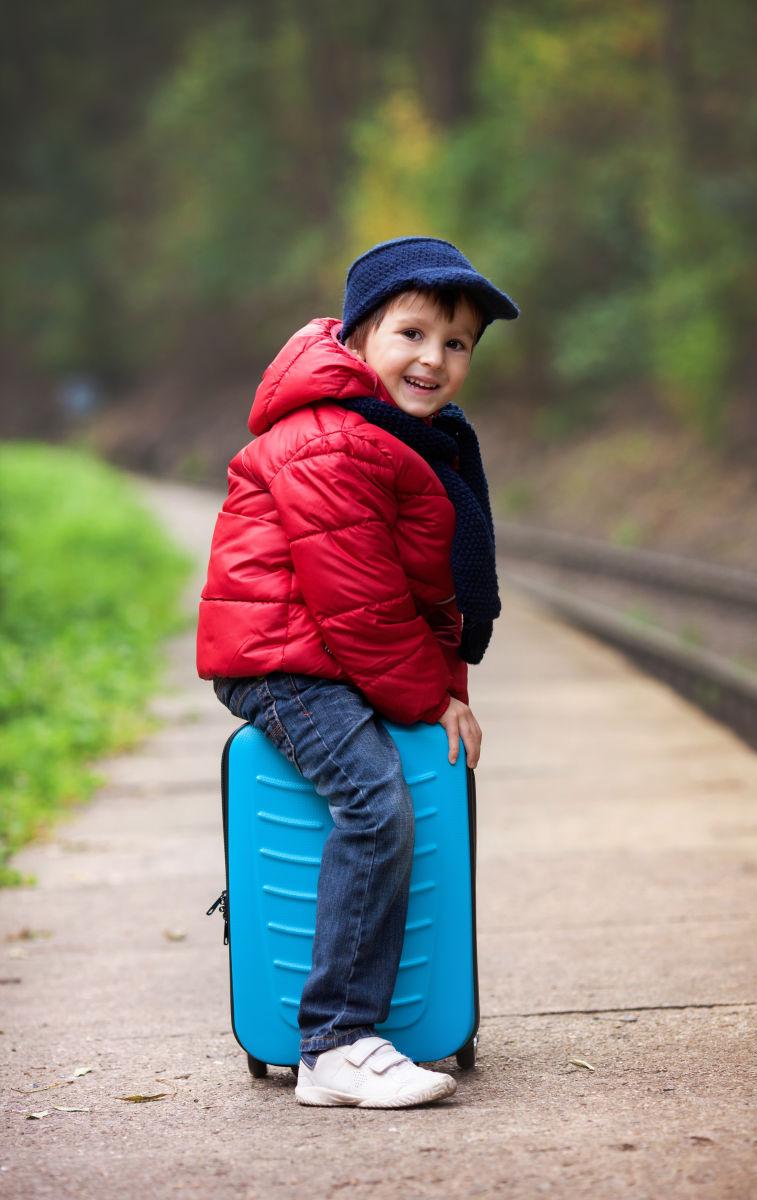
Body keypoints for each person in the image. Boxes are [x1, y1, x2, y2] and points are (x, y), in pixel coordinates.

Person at [197, 235, 519, 1107]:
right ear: (357, 336)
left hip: (325, 652)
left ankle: (368, 1026)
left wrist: (450, 689)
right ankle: (334, 1044)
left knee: (403, 789)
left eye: (456, 344)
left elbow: (431, 598)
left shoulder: (415, 441)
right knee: (377, 806)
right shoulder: (333, 441)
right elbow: (364, 609)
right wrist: (429, 698)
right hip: (285, 660)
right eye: (411, 333)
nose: (433, 359)